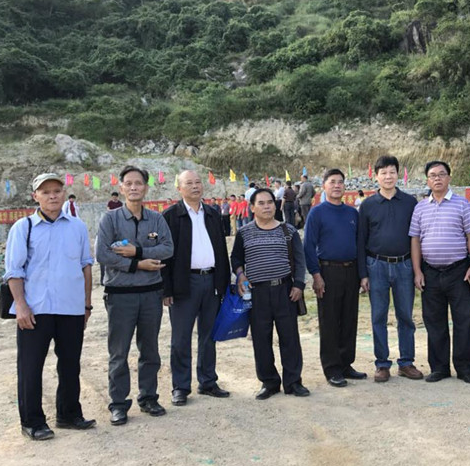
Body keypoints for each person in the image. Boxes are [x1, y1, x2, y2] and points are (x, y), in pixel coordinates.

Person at [4, 173, 95, 440]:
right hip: (35, 310)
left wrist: (86, 305)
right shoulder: (23, 227)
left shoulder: (77, 227)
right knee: (31, 367)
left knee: (70, 365)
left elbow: (85, 266)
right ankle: (32, 422)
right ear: (35, 196)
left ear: (64, 193)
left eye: (57, 190)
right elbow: (14, 271)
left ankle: (69, 414)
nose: (52, 196)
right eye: (45, 192)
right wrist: (21, 306)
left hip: (71, 308)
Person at [96, 165, 173, 425]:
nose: (133, 187)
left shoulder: (156, 219)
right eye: (128, 183)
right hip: (120, 295)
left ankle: (148, 397)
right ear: (121, 188)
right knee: (119, 352)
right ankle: (118, 403)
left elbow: (168, 248)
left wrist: (137, 251)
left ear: (146, 187)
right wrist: (138, 264)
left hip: (151, 294)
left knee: (149, 349)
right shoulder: (110, 219)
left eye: (138, 183)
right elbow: (103, 254)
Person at [161, 170, 232, 407]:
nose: (195, 186)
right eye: (189, 183)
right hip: (184, 283)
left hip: (211, 281)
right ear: (179, 188)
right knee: (181, 338)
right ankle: (181, 386)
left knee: (209, 335)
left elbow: (221, 249)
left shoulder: (212, 213)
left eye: (198, 182)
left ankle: (208, 381)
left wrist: (223, 283)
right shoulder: (171, 215)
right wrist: (167, 289)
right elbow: (165, 256)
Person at [231, 188, 310, 399]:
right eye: (261, 203)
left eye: (270, 202)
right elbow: (236, 259)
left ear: (275, 205)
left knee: (290, 338)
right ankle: (269, 382)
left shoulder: (288, 230)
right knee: (261, 339)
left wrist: (299, 285)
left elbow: (300, 260)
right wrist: (241, 275)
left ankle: (293, 382)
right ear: (252, 207)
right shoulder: (244, 233)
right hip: (257, 293)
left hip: (285, 291)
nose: (266, 207)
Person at [409, 160, 470, 384]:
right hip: (430, 272)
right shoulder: (420, 207)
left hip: (459, 271)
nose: (437, 178)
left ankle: (465, 368)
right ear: (427, 180)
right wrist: (417, 271)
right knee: (434, 322)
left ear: (449, 178)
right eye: (433, 175)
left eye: (442, 174)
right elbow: (415, 240)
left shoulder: (462, 204)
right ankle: (439, 368)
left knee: (464, 320)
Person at [358, 155, 423, 382]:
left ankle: (406, 362)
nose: (388, 176)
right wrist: (363, 274)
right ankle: (382, 364)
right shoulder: (367, 205)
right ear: (376, 176)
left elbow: (417, 237)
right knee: (379, 316)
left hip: (404, 265)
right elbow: (361, 241)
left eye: (392, 172)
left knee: (405, 315)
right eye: (383, 172)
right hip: (376, 265)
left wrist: (417, 269)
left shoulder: (410, 202)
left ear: (398, 174)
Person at [303, 168, 366, 387]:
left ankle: (346, 363)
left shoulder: (352, 213)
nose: (337, 185)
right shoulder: (317, 213)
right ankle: (332, 368)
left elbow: (359, 245)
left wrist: (362, 275)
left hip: (351, 270)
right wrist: (316, 275)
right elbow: (308, 246)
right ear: (324, 186)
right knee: (329, 320)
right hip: (328, 271)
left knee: (349, 319)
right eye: (332, 182)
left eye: (340, 182)